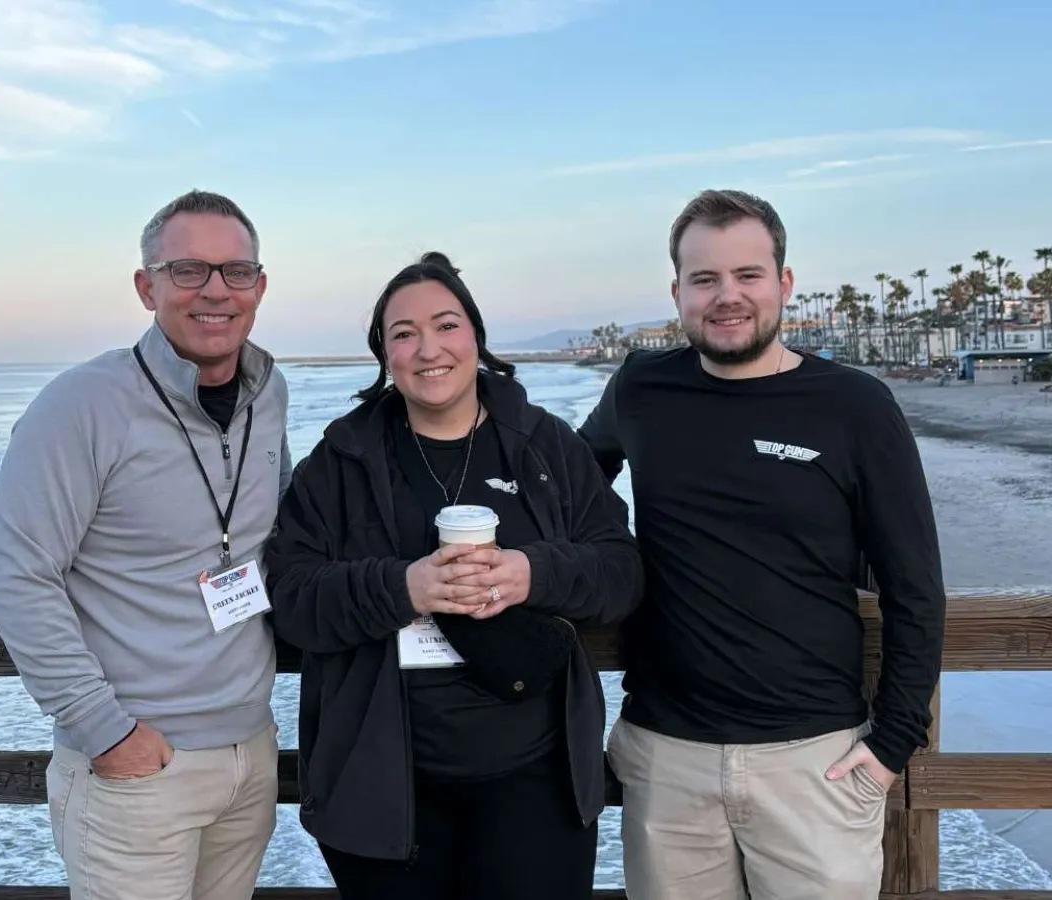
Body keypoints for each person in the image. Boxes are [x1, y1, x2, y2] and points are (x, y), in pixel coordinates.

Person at [579, 189, 946, 900]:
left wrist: (892, 744)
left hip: (816, 763)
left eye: (747, 275)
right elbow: (559, 485)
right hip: (666, 759)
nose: (727, 297)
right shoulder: (641, 388)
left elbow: (915, 586)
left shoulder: (854, 405)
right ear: (678, 291)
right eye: (705, 279)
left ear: (782, 283)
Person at [263, 251, 643, 900]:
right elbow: (292, 596)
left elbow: (620, 571)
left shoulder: (544, 446)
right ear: (383, 352)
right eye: (403, 333)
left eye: (445, 325)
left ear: (476, 336)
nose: (427, 348)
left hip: (537, 778)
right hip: (381, 787)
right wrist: (402, 588)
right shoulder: (342, 460)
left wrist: (531, 572)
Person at [0, 189, 290, 900]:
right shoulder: (81, 405)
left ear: (260, 287)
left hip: (249, 752)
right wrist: (106, 732)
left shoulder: (267, 396)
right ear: (146, 286)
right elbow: (18, 577)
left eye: (236, 272)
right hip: (137, 769)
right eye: (188, 270)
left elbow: (283, 537)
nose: (215, 290)